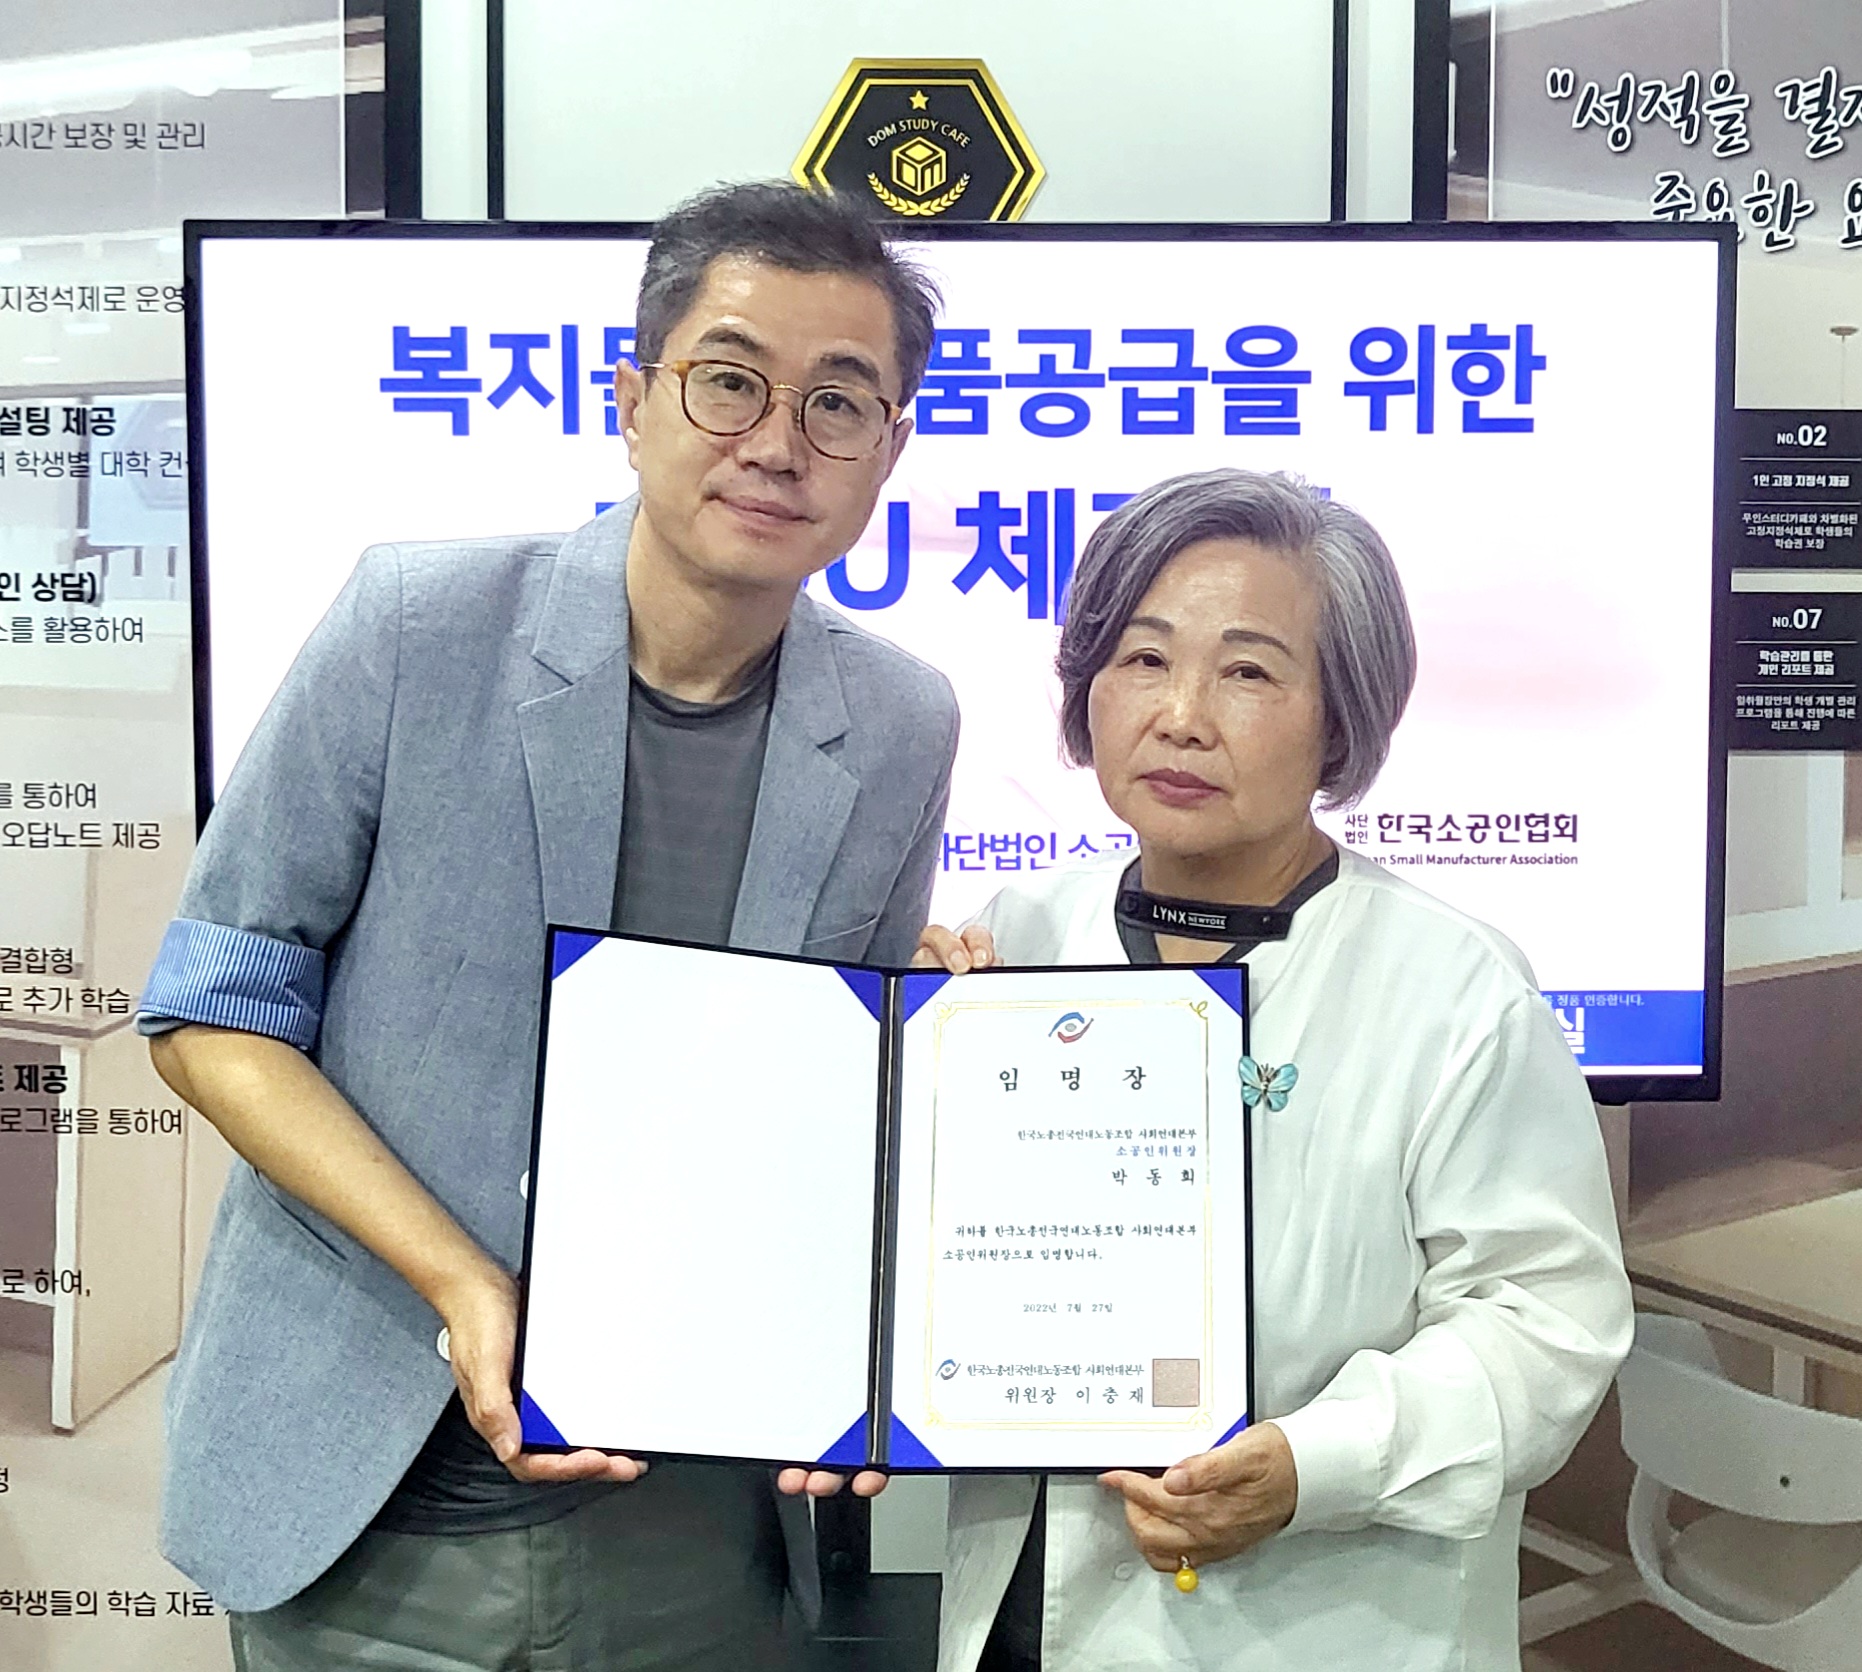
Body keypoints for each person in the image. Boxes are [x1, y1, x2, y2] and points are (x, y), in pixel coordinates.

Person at [139, 181, 951, 1670]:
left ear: (889, 448)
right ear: (632, 400)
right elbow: (211, 1010)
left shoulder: (901, 723)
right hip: (366, 1517)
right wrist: (465, 1282)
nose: (778, 442)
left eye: (839, 403)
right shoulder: (414, 625)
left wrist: (943, 1027)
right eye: (729, 381)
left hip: (694, 1535)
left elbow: (838, 1093)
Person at [917, 468, 1633, 1672]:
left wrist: (1317, 1463)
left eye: (1246, 672)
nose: (1180, 715)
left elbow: (1545, 1320)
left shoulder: (1453, 987)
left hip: (1320, 1622)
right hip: (1024, 1612)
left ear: (1338, 718)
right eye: (1143, 658)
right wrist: (908, 1080)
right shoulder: (1011, 939)